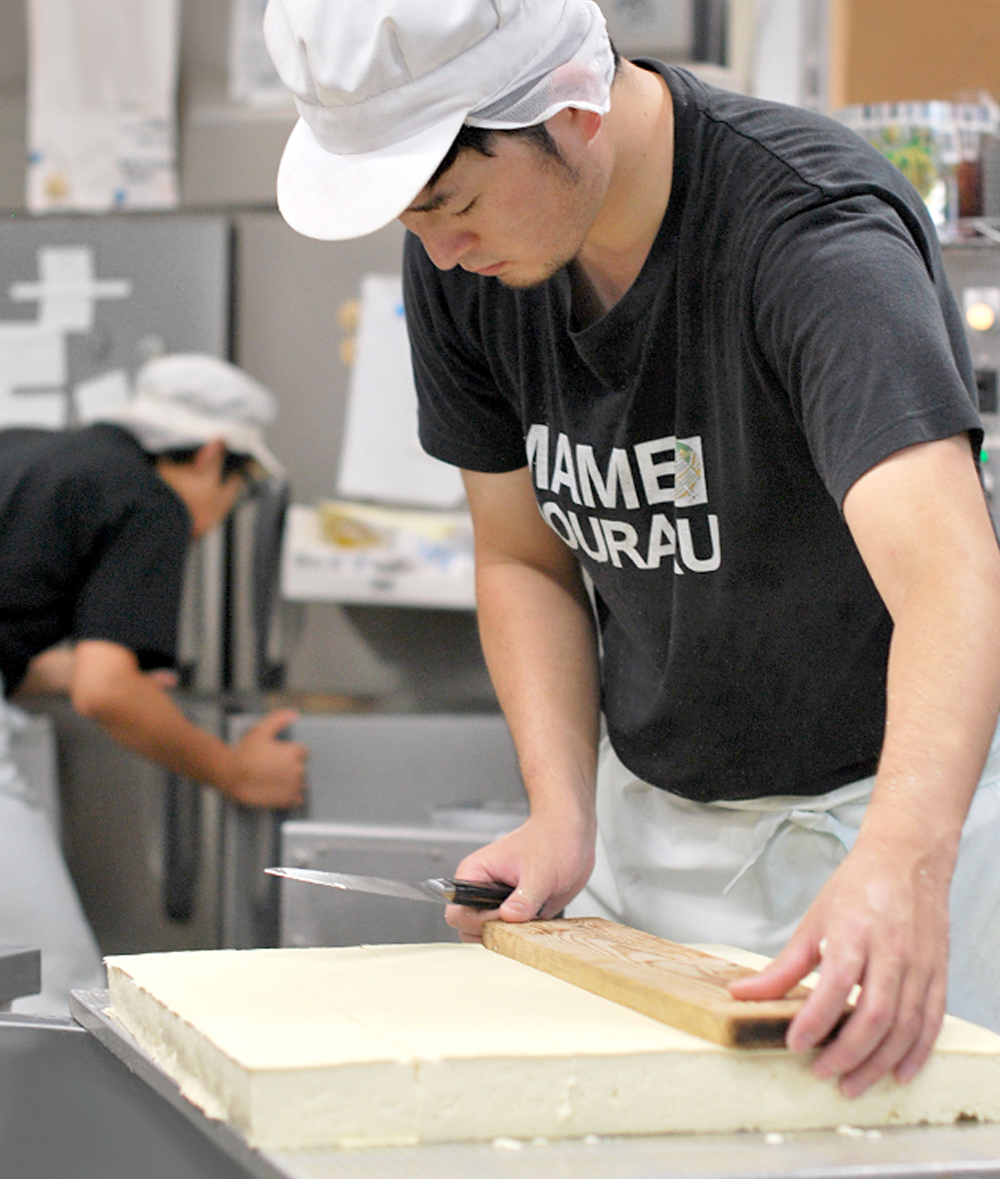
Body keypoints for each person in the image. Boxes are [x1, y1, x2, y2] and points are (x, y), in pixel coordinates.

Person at [261, 0, 1000, 1098]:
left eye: (452, 202)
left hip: (882, 819)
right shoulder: (472, 273)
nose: (441, 251)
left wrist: (900, 863)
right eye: (411, 220)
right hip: (647, 829)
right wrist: (562, 812)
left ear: (571, 109)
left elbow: (951, 577)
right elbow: (522, 558)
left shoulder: (807, 234)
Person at [0, 353, 308, 1013]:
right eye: (237, 491)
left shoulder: (31, 451)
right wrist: (235, 771)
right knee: (54, 987)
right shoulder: (150, 501)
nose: (219, 520)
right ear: (210, 455)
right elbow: (104, 692)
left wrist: (92, 666)